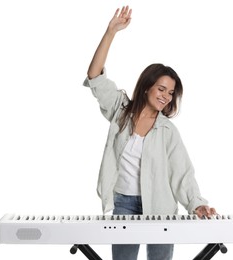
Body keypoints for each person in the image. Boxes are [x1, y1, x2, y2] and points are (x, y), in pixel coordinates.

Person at [83, 6, 216, 260]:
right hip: (123, 203)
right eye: (161, 89)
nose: (166, 96)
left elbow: (182, 173)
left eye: (170, 93)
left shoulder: (168, 131)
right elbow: (94, 76)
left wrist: (197, 203)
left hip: (161, 205)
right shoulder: (120, 111)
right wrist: (111, 31)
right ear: (147, 87)